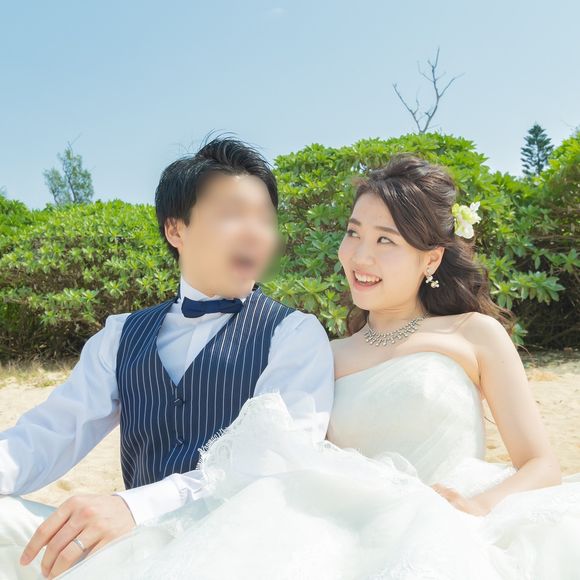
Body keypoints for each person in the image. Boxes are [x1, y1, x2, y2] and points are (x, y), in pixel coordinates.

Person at [59, 154, 580, 579]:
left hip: (457, 529)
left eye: (386, 240)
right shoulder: (321, 354)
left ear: (431, 259)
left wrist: (476, 509)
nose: (360, 256)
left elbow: (541, 464)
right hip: (348, 538)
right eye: (354, 233)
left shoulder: (472, 333)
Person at [0, 136, 335, 580]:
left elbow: (275, 463)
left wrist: (134, 507)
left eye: (266, 220)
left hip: (238, 556)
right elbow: (50, 432)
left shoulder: (293, 334)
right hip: (129, 552)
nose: (256, 233)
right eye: (233, 215)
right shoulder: (120, 335)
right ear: (176, 230)